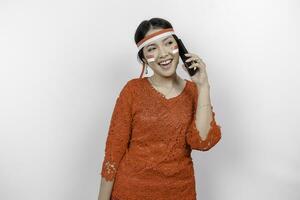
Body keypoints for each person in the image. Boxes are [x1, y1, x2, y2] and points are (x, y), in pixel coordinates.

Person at [98, 17, 222, 200]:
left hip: (180, 192)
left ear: (179, 47)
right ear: (144, 59)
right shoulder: (132, 91)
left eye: (168, 43)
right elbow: (113, 153)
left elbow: (202, 142)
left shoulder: (194, 92)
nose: (163, 54)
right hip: (130, 192)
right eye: (152, 48)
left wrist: (203, 86)